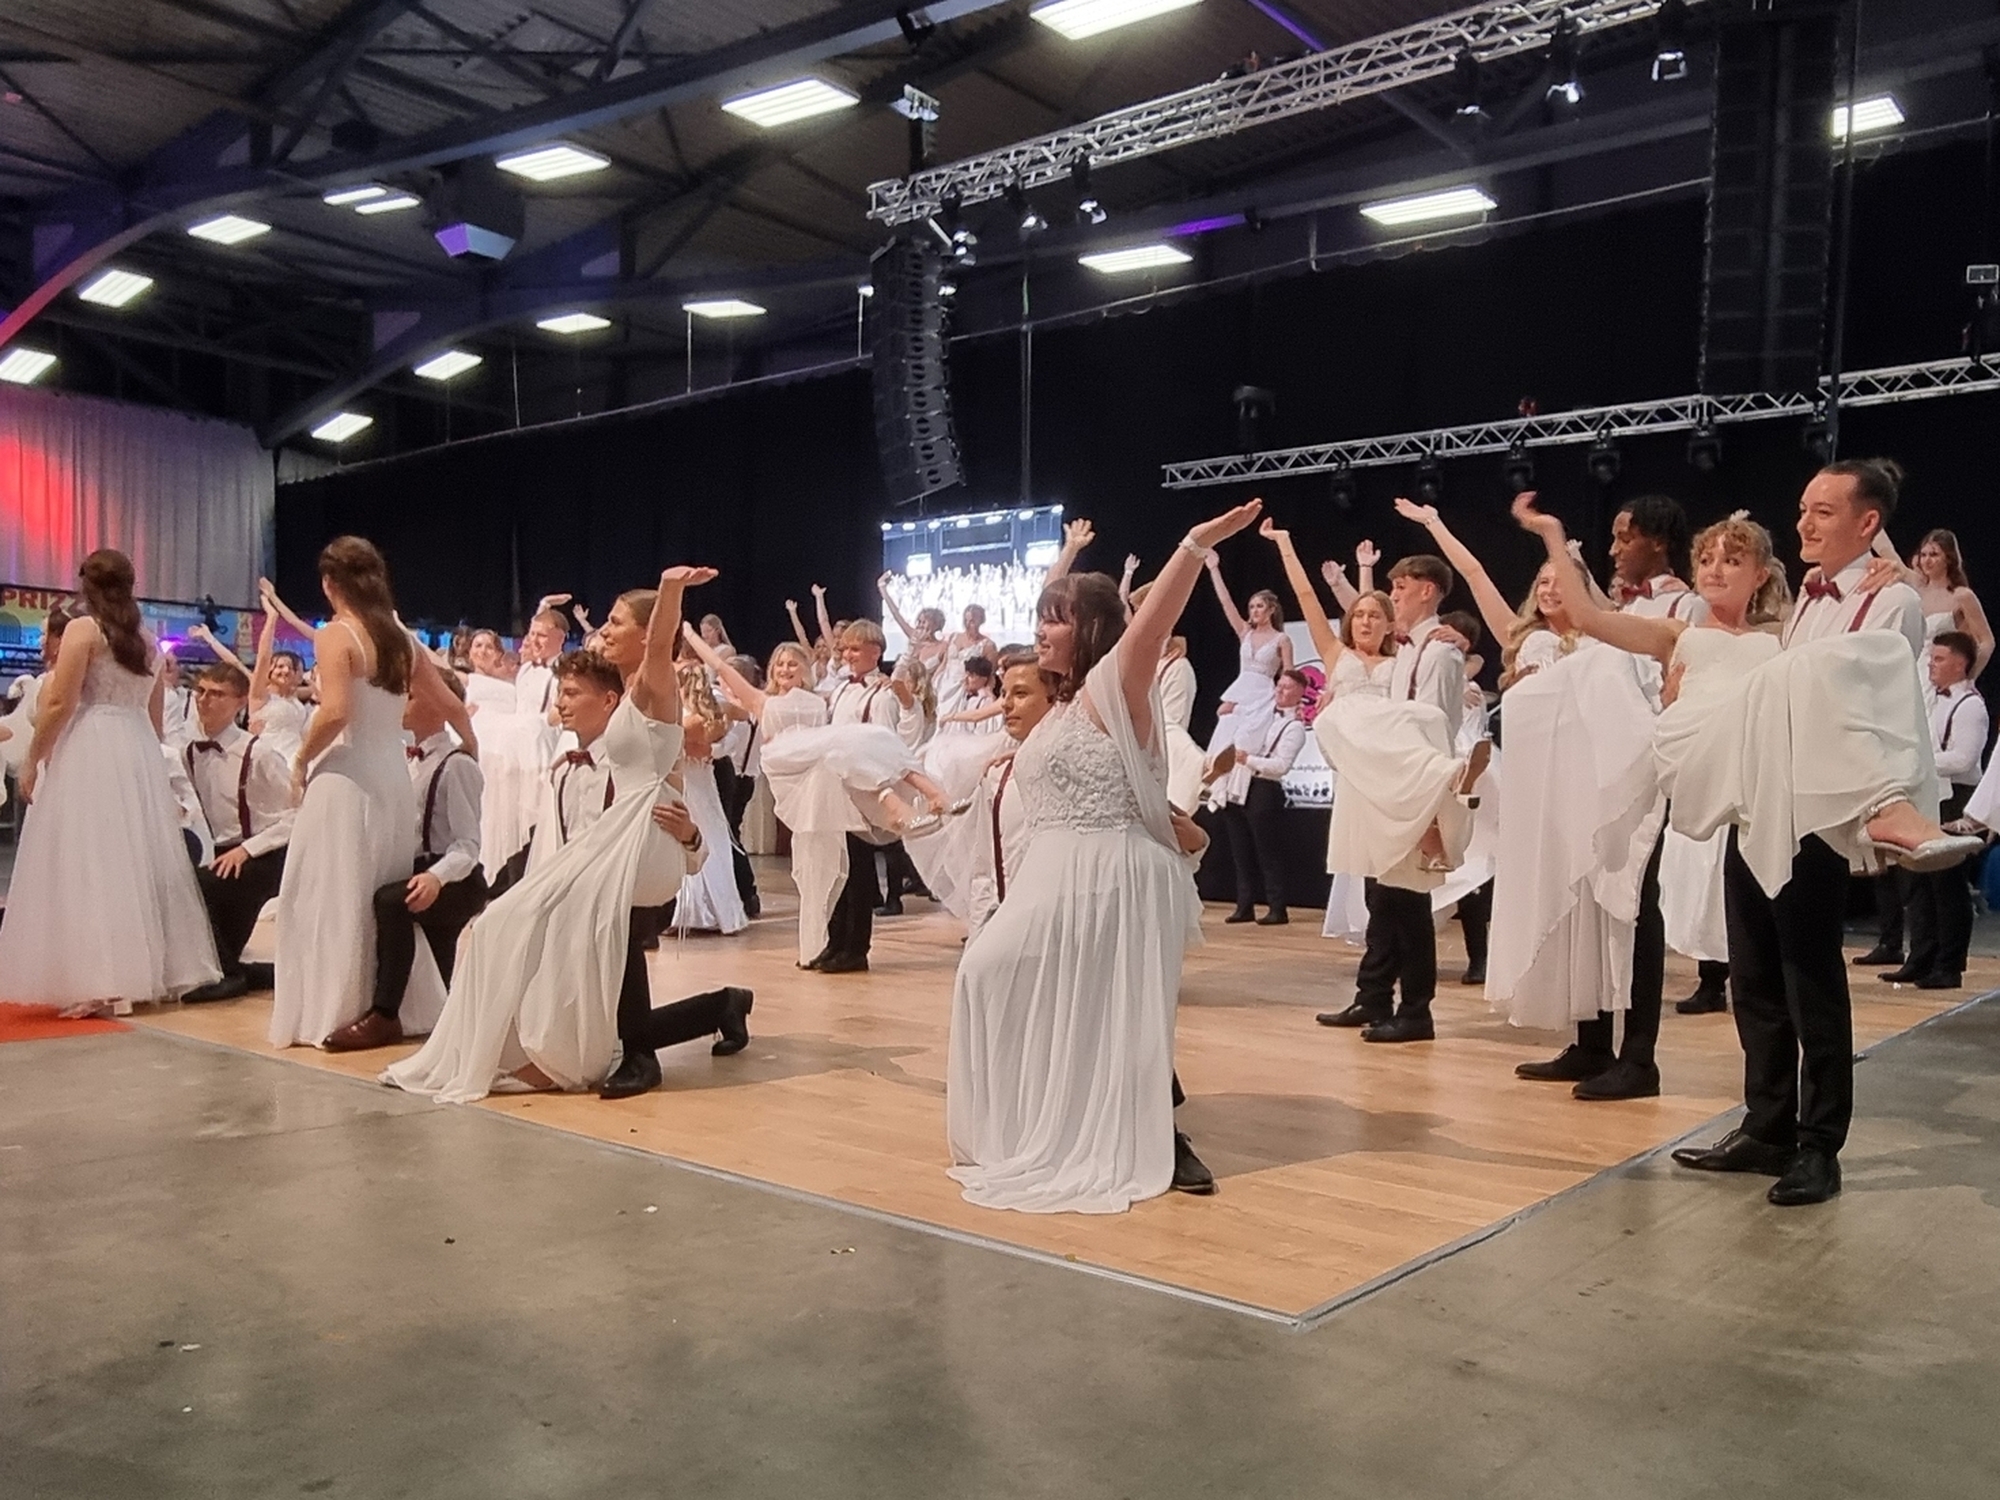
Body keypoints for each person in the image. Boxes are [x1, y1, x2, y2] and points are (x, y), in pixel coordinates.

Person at [1670, 460, 1978, 1206]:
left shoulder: (1891, 598)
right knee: (1755, 977)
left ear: (1868, 523)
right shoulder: (1805, 601)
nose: (1804, 522)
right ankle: (1767, 1125)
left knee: (1810, 981)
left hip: (1816, 812)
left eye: (1824, 511)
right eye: (1804, 508)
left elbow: (1859, 690)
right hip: (1762, 802)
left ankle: (1819, 1145)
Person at [947, 499, 1262, 1213]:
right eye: (1039, 619)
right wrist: (1060, 565)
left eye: (1055, 620)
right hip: (1055, 873)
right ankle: (1039, 1124)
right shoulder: (1058, 705)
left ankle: (1145, 1136)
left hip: (1109, 872)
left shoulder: (1114, 687)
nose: (1039, 631)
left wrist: (1195, 544)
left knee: (1093, 1011)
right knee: (993, 977)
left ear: (1090, 629)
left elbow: (1149, 624)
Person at [386, 573, 751, 1104]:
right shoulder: (626, 694)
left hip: (640, 835)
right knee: (515, 927)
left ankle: (602, 1058)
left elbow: (661, 646)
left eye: (616, 622)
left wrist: (671, 589)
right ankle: (709, 1011)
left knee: (560, 928)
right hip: (621, 834)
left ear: (647, 634)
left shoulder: (655, 684)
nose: (604, 630)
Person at [267, 539, 471, 1049]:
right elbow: (451, 704)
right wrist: (470, 750)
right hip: (391, 776)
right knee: (375, 888)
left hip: (347, 776)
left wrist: (301, 758)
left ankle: (330, 1007)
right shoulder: (402, 639)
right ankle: (379, 1001)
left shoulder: (337, 634)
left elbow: (335, 711)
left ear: (329, 584)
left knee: (328, 892)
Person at [0, 550, 220, 1016]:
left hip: (92, 742)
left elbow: (59, 702)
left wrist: (34, 758)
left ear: (86, 584)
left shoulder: (84, 630)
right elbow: (155, 718)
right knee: (130, 860)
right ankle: (131, 972)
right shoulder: (147, 639)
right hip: (135, 744)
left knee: (87, 859)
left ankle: (98, 977)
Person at [1309, 526, 1475, 1044]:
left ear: (1427, 590)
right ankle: (1374, 995)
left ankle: (1416, 1010)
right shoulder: (1408, 651)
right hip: (1385, 783)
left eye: (1400, 588)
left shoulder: (1439, 653)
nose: (1392, 596)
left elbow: (1433, 725)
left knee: (1408, 901)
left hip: (1414, 782)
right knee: (1383, 897)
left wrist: (1427, 805)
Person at [322, 670, 489, 1050]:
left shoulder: (457, 764)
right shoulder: (404, 758)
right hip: (417, 869)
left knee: (391, 901)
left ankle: (385, 1014)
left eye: (410, 696)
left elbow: (467, 844)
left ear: (440, 706)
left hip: (455, 879)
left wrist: (436, 877)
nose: (401, 703)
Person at [1260, 527, 1396, 949]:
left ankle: (1391, 939)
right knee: (1364, 856)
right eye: (1359, 615)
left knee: (1392, 858)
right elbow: (1305, 596)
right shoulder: (1338, 654)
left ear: (1389, 624)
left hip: (1391, 764)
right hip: (1352, 766)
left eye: (1374, 615)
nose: (1365, 621)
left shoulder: (1403, 660)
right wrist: (1285, 543)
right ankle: (1373, 941)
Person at [679, 630, 837, 965]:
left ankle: (828, 942)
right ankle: (813, 946)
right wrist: (691, 636)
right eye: (779, 663)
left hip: (815, 781)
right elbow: (721, 667)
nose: (785, 668)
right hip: (788, 787)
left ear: (805, 668)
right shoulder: (762, 701)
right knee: (805, 867)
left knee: (828, 863)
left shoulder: (819, 701)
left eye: (792, 663)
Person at [1873, 630, 1987, 990]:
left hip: (1957, 798)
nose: (1931, 665)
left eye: (1939, 659)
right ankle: (1920, 957)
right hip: (1930, 793)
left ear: (1960, 664)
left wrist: (1918, 760)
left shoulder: (1970, 706)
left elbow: (1964, 759)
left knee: (1948, 886)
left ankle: (1949, 965)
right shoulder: (1930, 698)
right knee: (1918, 882)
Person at [178, 664, 296, 1003]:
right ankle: (249, 972)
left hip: (266, 854)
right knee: (218, 933)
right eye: (201, 691)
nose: (205, 700)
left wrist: (247, 850)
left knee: (191, 887)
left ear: (240, 703)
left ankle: (229, 976)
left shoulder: (258, 753)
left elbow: (296, 815)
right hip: (222, 853)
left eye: (217, 694)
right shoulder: (190, 751)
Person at [1216, 668, 1308, 925]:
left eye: (1287, 688)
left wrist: (1249, 759)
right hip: (1239, 783)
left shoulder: (1294, 727)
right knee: (1240, 849)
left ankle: (1277, 908)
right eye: (1279, 685)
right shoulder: (1262, 711)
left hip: (1265, 788)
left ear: (1299, 694)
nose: (1280, 691)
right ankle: (1244, 905)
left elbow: (1281, 766)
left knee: (1267, 851)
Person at [669, 660, 749, 935]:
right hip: (697, 779)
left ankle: (692, 911)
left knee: (698, 837)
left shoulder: (689, 717)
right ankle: (711, 910)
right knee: (712, 838)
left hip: (690, 780)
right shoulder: (709, 713)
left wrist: (712, 751)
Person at [1200, 556, 1292, 761]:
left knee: (1244, 746)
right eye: (1251, 607)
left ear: (1271, 609)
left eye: (1259, 606)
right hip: (1240, 692)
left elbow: (1289, 674)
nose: (1254, 611)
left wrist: (1287, 705)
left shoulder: (1281, 639)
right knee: (1223, 740)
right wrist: (1214, 569)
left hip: (1262, 698)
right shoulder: (1245, 633)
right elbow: (1226, 602)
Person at [1907, 528, 1993, 675]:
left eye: (1934, 555)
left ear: (1948, 558)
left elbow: (1987, 642)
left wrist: (1968, 676)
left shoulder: (1962, 596)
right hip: (1910, 671)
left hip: (1941, 677)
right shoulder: (1915, 592)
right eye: (1923, 555)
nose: (1927, 560)